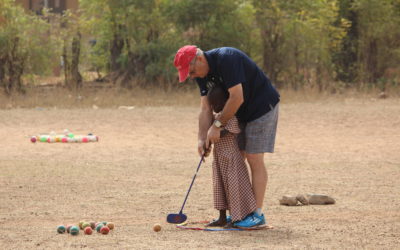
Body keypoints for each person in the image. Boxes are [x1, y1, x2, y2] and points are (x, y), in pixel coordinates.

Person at [174, 45, 280, 228]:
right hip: (238, 112)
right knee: (237, 160)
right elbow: (206, 108)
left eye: (191, 71)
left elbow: (236, 97)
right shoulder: (202, 74)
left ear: (199, 59)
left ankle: (257, 215)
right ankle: (241, 213)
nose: (192, 76)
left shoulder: (227, 58)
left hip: (261, 107)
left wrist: (216, 126)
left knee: (254, 157)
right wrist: (201, 138)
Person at [205, 83, 257, 228]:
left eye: (217, 103)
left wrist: (212, 134)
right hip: (219, 160)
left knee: (234, 189)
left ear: (225, 102)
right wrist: (206, 144)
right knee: (219, 188)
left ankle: (236, 218)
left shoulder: (231, 117)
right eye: (211, 103)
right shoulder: (215, 117)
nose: (214, 106)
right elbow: (211, 135)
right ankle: (222, 218)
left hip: (232, 160)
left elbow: (224, 133)